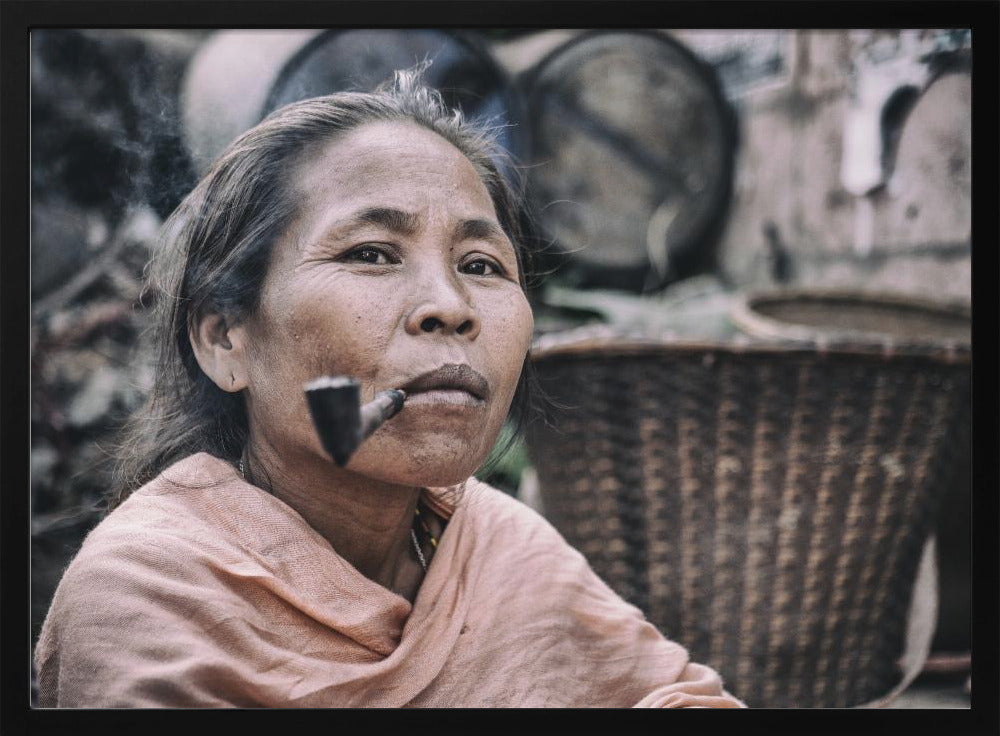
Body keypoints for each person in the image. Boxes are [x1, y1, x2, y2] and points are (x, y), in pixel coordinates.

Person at [34, 69, 745, 708]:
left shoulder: (494, 545)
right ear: (227, 340)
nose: (451, 305)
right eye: (370, 253)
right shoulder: (149, 596)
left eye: (483, 263)